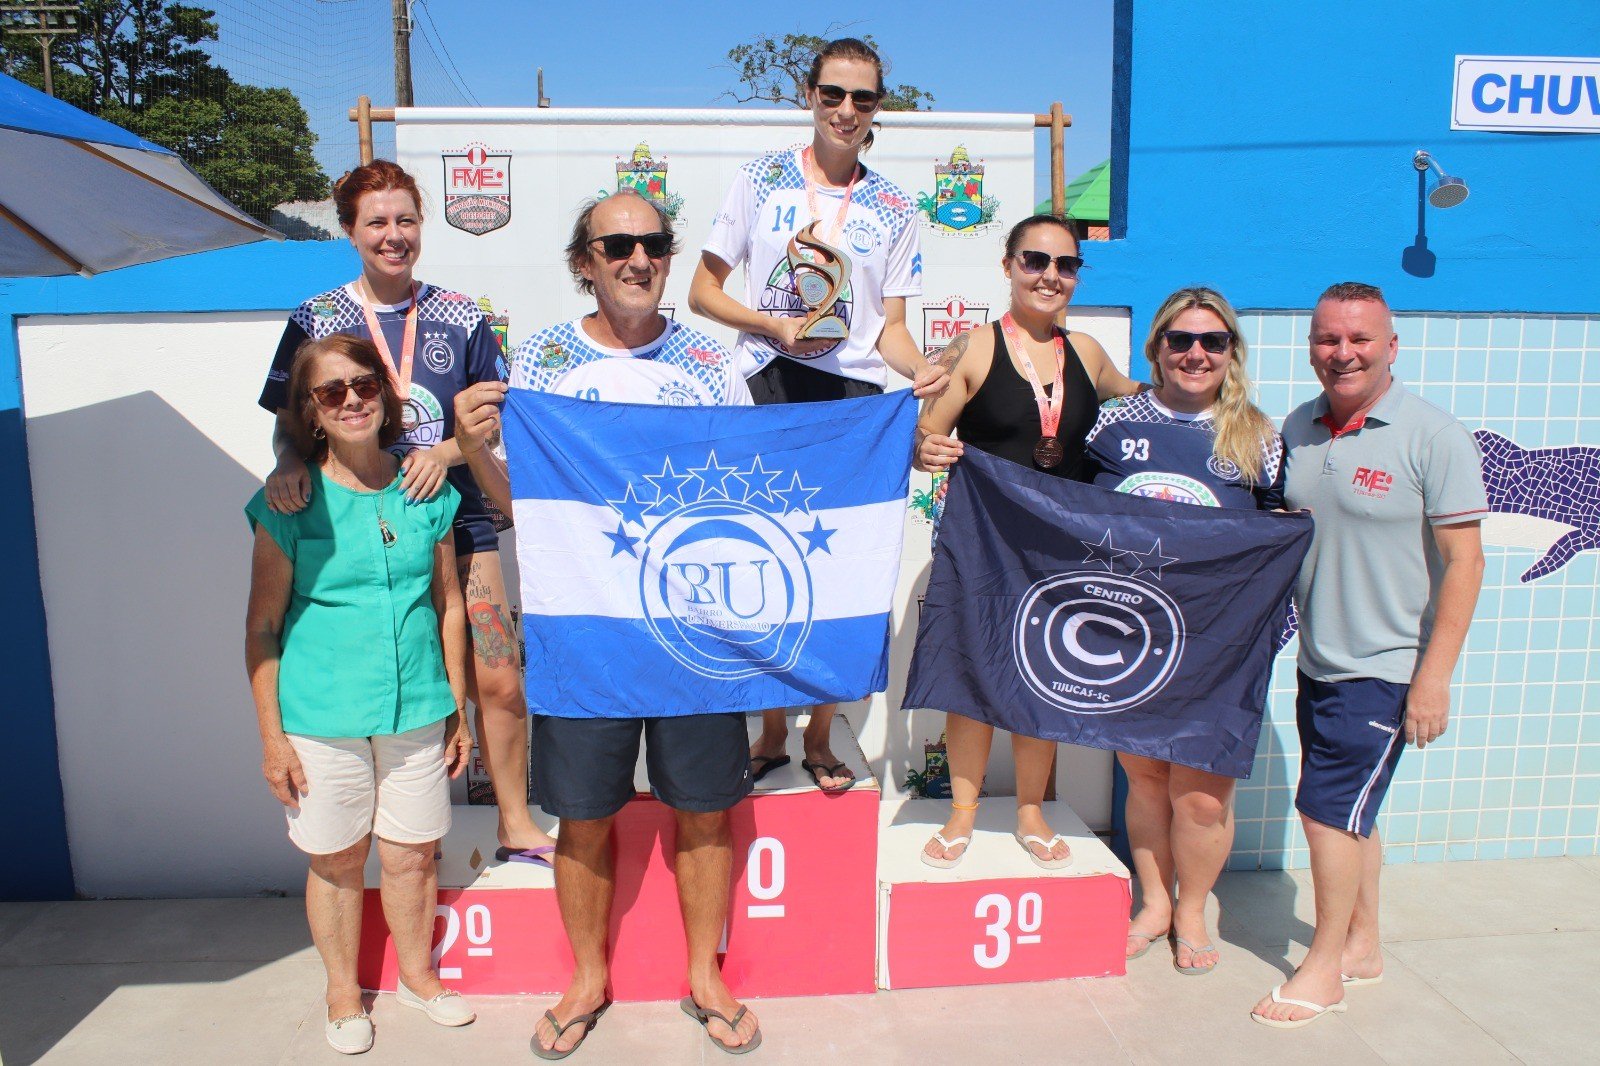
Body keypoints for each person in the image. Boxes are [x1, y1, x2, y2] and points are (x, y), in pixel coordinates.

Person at [455, 188, 762, 1059]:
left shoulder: (713, 361)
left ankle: (705, 975)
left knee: (703, 812)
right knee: (584, 817)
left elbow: (745, 490)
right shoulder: (543, 361)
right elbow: (515, 503)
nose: (638, 258)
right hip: (582, 630)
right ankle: (588, 978)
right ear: (583, 263)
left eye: (654, 243)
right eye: (616, 244)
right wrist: (476, 446)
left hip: (695, 627)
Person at [257, 160, 554, 868]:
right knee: (386, 670)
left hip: (458, 512)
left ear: (423, 224)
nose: (395, 236)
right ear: (352, 233)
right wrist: (288, 463)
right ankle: (390, 829)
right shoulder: (317, 317)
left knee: (498, 675)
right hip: (362, 522)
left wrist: (446, 454)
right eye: (378, 223)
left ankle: (513, 818)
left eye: (406, 220)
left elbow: (494, 419)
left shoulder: (460, 315)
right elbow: (286, 422)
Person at [689, 36, 949, 794]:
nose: (846, 111)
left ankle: (823, 734)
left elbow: (888, 328)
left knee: (843, 575)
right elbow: (703, 293)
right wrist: (770, 326)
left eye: (862, 99)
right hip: (767, 385)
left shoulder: (894, 205)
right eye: (832, 94)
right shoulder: (758, 179)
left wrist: (918, 367)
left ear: (877, 109)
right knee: (766, 560)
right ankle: (770, 729)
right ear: (809, 94)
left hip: (854, 409)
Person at [1252, 282, 1486, 1028]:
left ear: (1391, 346)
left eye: (1358, 339)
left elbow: (1465, 563)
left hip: (1385, 668)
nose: (1341, 352)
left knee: (1325, 815)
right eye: (1327, 339)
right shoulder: (1300, 427)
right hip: (1319, 660)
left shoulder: (1433, 436)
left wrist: (1434, 678)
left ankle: (1322, 969)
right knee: (1354, 815)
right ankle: (1363, 945)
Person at [244, 334, 477, 1055]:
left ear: (386, 393)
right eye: (330, 392)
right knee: (339, 859)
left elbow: (448, 605)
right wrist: (272, 738)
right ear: (311, 412)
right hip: (322, 717)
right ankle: (343, 992)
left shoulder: (426, 488)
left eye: (363, 385)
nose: (350, 400)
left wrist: (458, 707)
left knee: (412, 855)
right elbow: (261, 627)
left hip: (417, 710)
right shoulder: (287, 501)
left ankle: (417, 976)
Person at [913, 213, 1142, 869]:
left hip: (1058, 548)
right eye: (1036, 260)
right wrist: (922, 445)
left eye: (1066, 265)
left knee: (1046, 679)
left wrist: (1213, 405)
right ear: (1009, 266)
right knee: (971, 678)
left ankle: (1031, 810)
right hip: (981, 543)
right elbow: (923, 433)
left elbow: (1144, 412)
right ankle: (962, 813)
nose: (1051, 275)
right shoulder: (974, 348)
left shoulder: (1089, 354)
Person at [1084, 287, 1285, 975]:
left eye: (1213, 341)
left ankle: (1194, 908)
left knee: (1200, 794)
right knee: (1145, 777)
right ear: (1156, 349)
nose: (1196, 353)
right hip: (1129, 637)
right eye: (1181, 340)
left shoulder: (1259, 435)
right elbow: (1063, 508)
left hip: (1216, 644)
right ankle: (1154, 904)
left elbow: (1281, 540)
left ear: (1232, 352)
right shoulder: (1110, 425)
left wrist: (1267, 629)